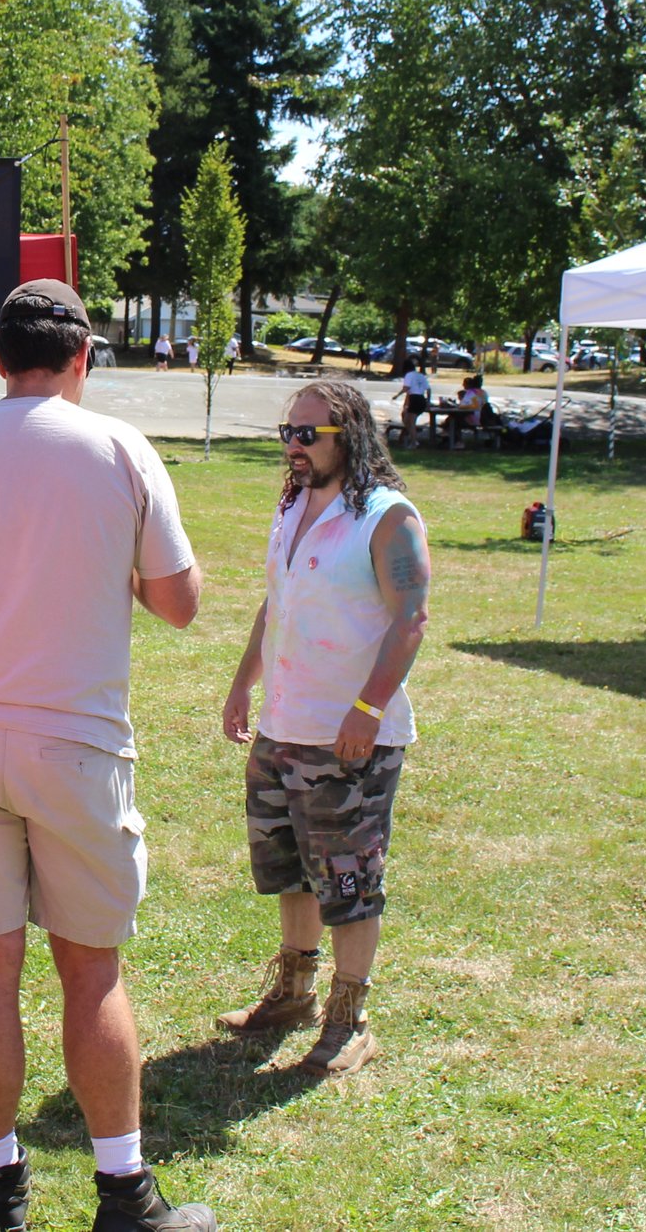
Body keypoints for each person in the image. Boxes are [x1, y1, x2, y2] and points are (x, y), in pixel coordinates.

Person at [0, 278, 213, 1232]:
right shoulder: (118, 446)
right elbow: (180, 603)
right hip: (74, 740)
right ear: (83, 359)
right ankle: (123, 1194)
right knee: (89, 969)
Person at [218, 381, 429, 1077]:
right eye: (288, 432)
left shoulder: (387, 517)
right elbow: (277, 600)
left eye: (308, 434)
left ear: (350, 435)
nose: (294, 446)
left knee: (349, 876)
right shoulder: (291, 505)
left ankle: (349, 1017)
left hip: (349, 734)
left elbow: (410, 620)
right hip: (285, 726)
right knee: (291, 868)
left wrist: (366, 711)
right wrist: (244, 681)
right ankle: (293, 993)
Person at [442, 374, 491, 449]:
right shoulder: (484, 393)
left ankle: (457, 441)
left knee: (453, 420)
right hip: (483, 418)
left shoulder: (471, 393)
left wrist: (460, 406)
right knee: (452, 419)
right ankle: (449, 435)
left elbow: (465, 406)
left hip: (473, 419)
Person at [396, 357, 432, 449]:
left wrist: (397, 395)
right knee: (407, 420)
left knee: (411, 422)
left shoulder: (409, 375)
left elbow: (406, 388)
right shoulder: (420, 375)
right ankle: (413, 438)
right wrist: (428, 401)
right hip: (421, 398)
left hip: (414, 398)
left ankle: (414, 443)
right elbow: (428, 389)